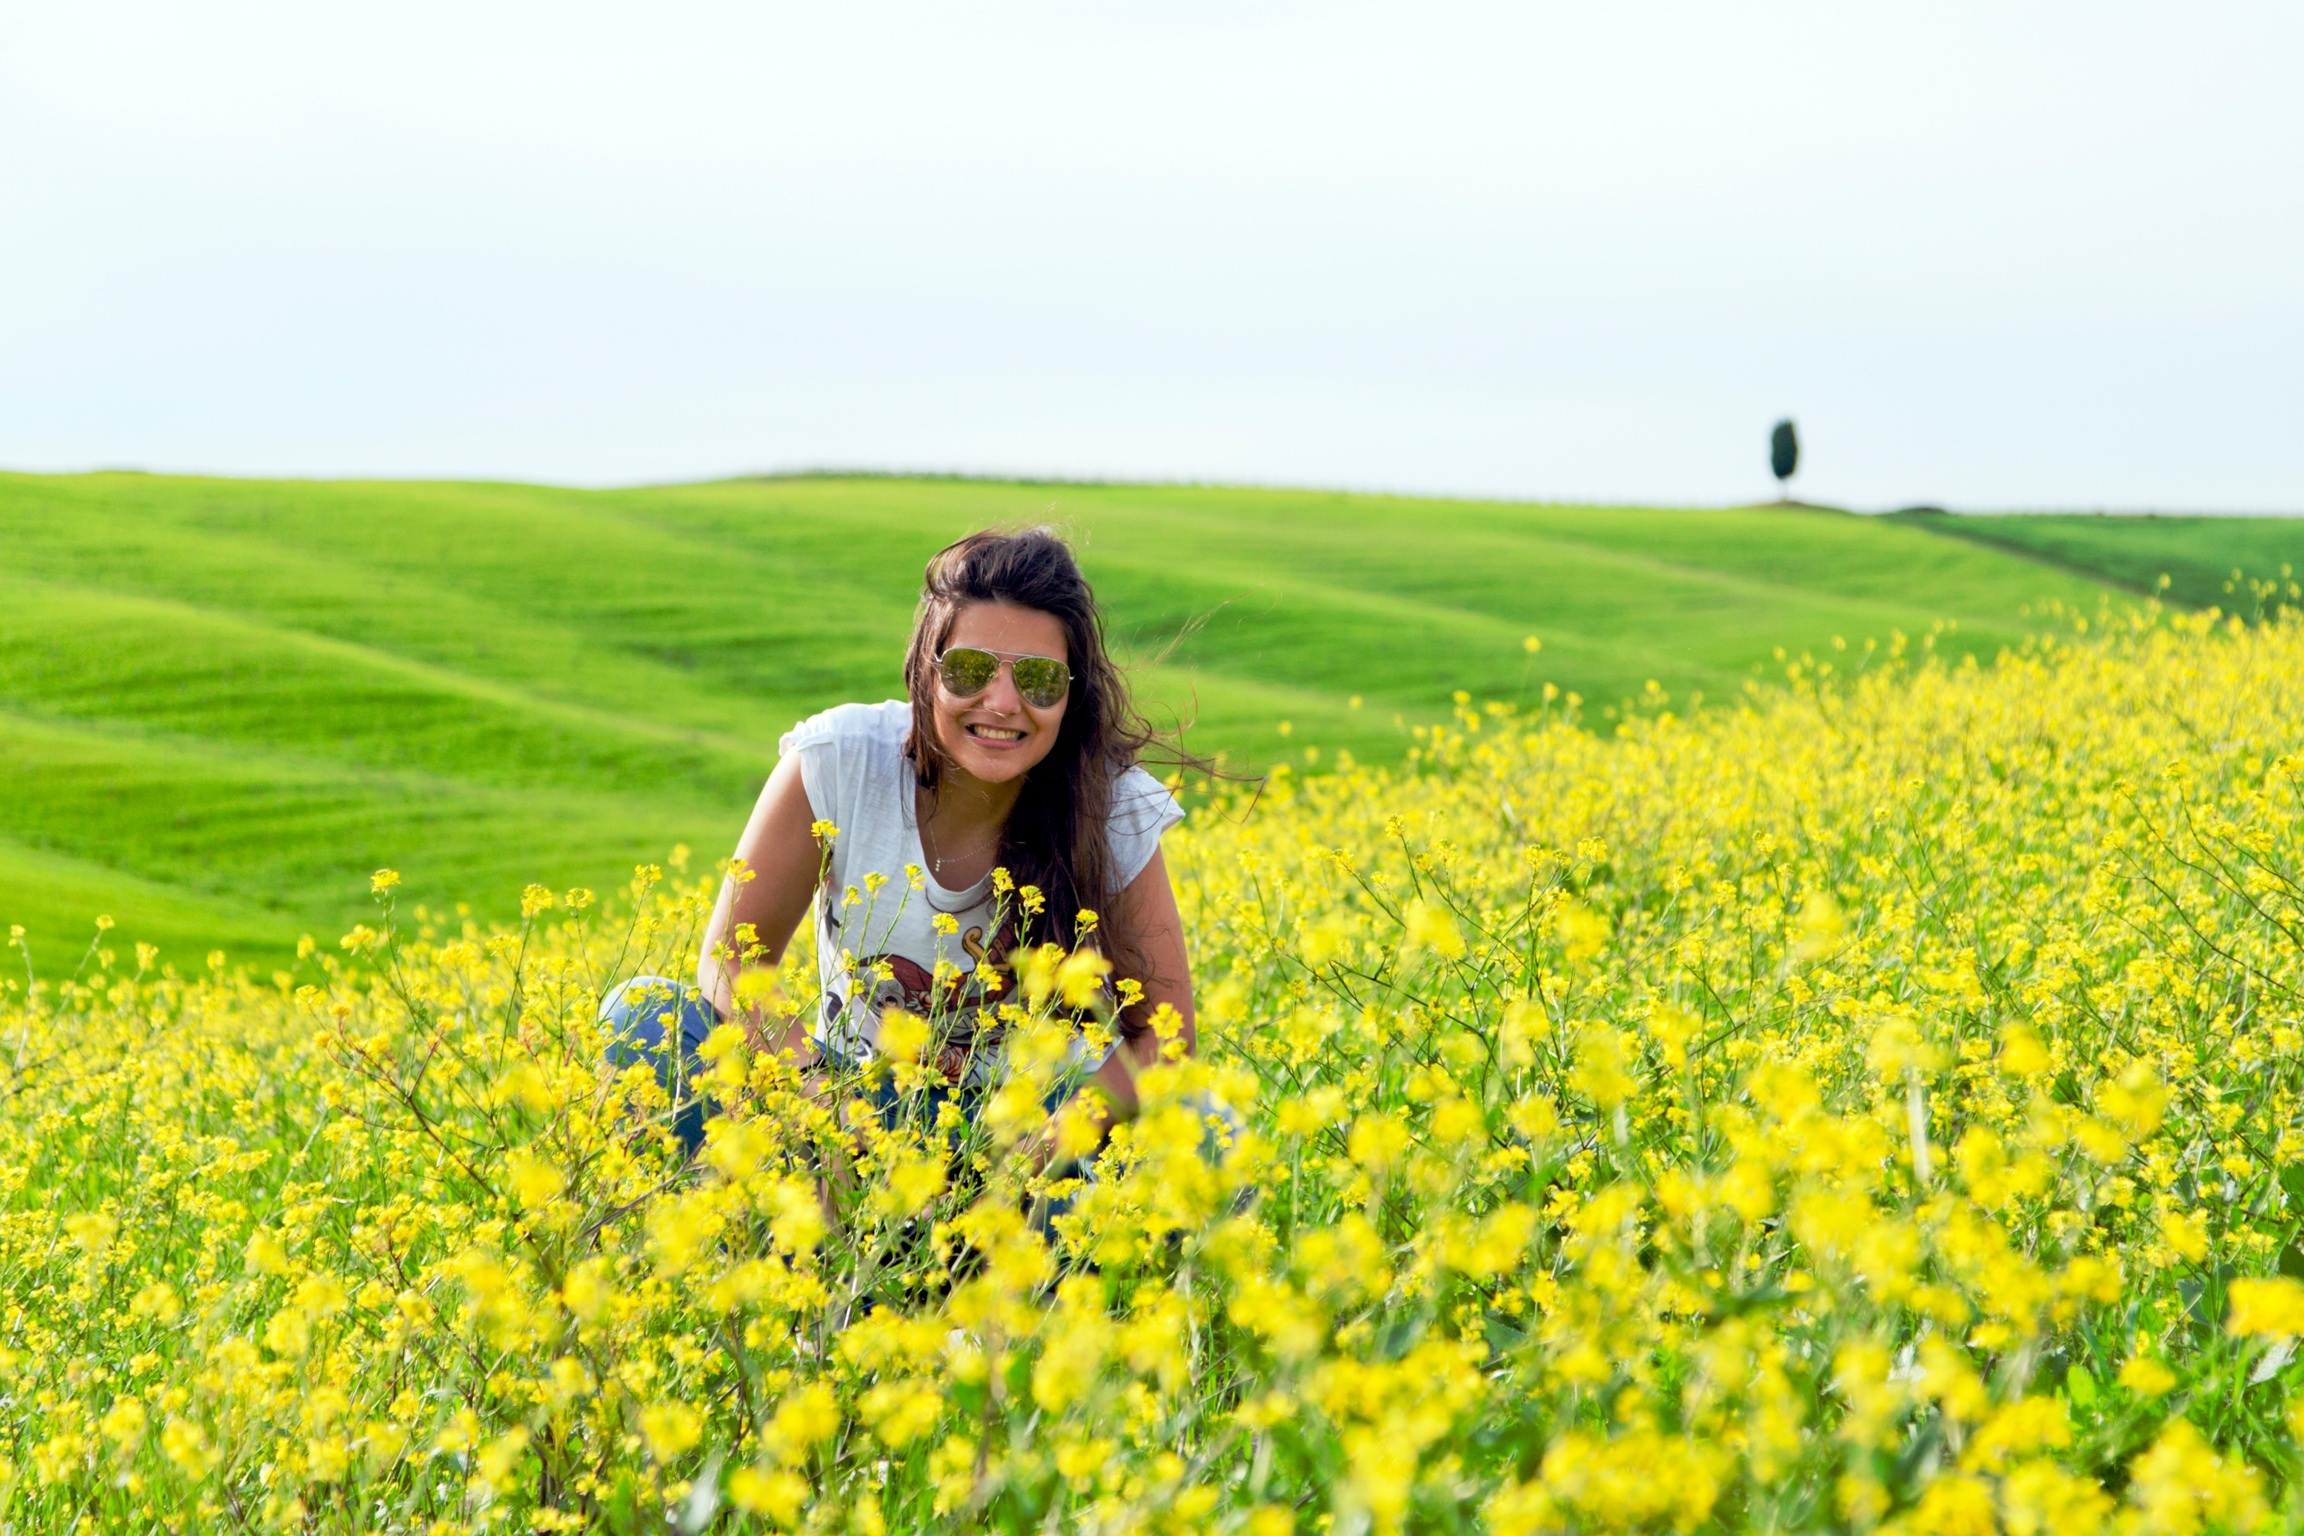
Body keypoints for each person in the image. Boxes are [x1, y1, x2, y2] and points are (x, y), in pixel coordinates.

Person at [601, 527, 1197, 1166]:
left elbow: (1166, 1039)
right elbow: (732, 961)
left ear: (1070, 695)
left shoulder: (1113, 805)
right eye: (970, 670)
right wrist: (821, 1104)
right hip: (855, 1094)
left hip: (1028, 1120)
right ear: (925, 671)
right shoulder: (839, 760)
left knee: (1207, 1130)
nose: (1002, 702)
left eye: (1040, 678)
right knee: (644, 1014)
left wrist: (1039, 1151)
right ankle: (746, 1216)